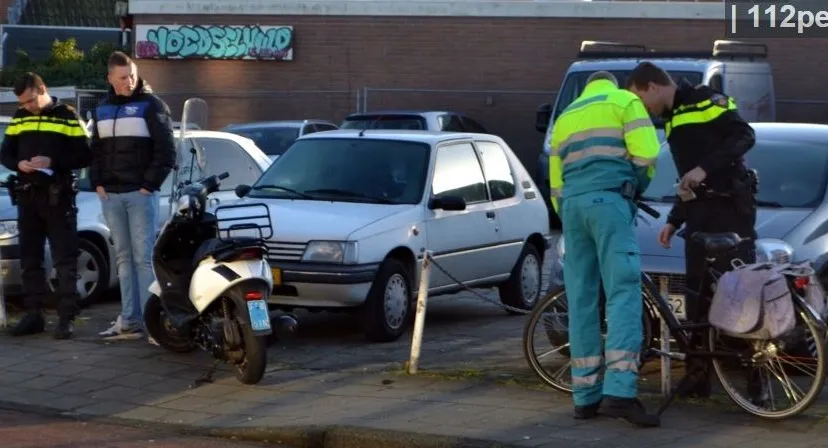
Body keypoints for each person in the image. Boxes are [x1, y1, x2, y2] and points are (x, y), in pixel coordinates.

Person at [625, 62, 762, 401]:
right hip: (699, 215)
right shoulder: (670, 118)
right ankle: (697, 376)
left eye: (641, 100)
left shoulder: (706, 99)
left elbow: (745, 135)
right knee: (696, 299)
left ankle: (756, 380)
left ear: (652, 87)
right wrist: (675, 219)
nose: (644, 109)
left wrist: (705, 168)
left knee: (741, 296)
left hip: (731, 212)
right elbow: (687, 179)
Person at [549, 71, 661, 427]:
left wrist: (569, 210)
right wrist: (633, 188)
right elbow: (648, 154)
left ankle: (584, 397)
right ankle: (621, 392)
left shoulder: (565, 117)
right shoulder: (625, 102)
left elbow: (555, 183)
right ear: (613, 84)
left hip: (572, 209)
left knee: (581, 300)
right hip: (610, 202)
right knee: (622, 294)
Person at [89, 51, 176, 340]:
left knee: (143, 259)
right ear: (110, 78)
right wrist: (97, 182)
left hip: (139, 194)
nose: (130, 81)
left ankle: (153, 324)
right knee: (124, 259)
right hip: (111, 195)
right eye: (123, 77)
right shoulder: (100, 108)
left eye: (133, 75)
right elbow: (96, 151)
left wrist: (148, 186)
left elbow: (167, 151)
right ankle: (129, 320)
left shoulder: (151, 105)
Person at [1, 72, 92, 339]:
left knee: (65, 260)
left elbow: (85, 154)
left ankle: (66, 318)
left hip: (58, 197)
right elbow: (5, 152)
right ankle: (33, 315)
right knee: (31, 259)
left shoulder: (67, 115)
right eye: (22, 102)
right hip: (28, 198)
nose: (27, 106)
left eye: (30, 100)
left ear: (42, 89)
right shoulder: (20, 117)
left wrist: (53, 162)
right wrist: (18, 164)